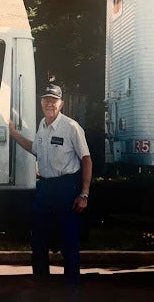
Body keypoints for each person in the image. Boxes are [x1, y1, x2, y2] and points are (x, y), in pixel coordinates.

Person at [9, 83, 92, 285]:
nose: (49, 104)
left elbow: (86, 159)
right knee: (38, 238)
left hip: (66, 188)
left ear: (61, 103)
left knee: (68, 240)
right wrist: (13, 134)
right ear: (41, 103)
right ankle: (41, 283)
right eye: (46, 100)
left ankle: (72, 287)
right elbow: (35, 148)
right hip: (45, 188)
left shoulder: (71, 127)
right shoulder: (42, 125)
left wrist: (84, 194)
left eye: (54, 101)